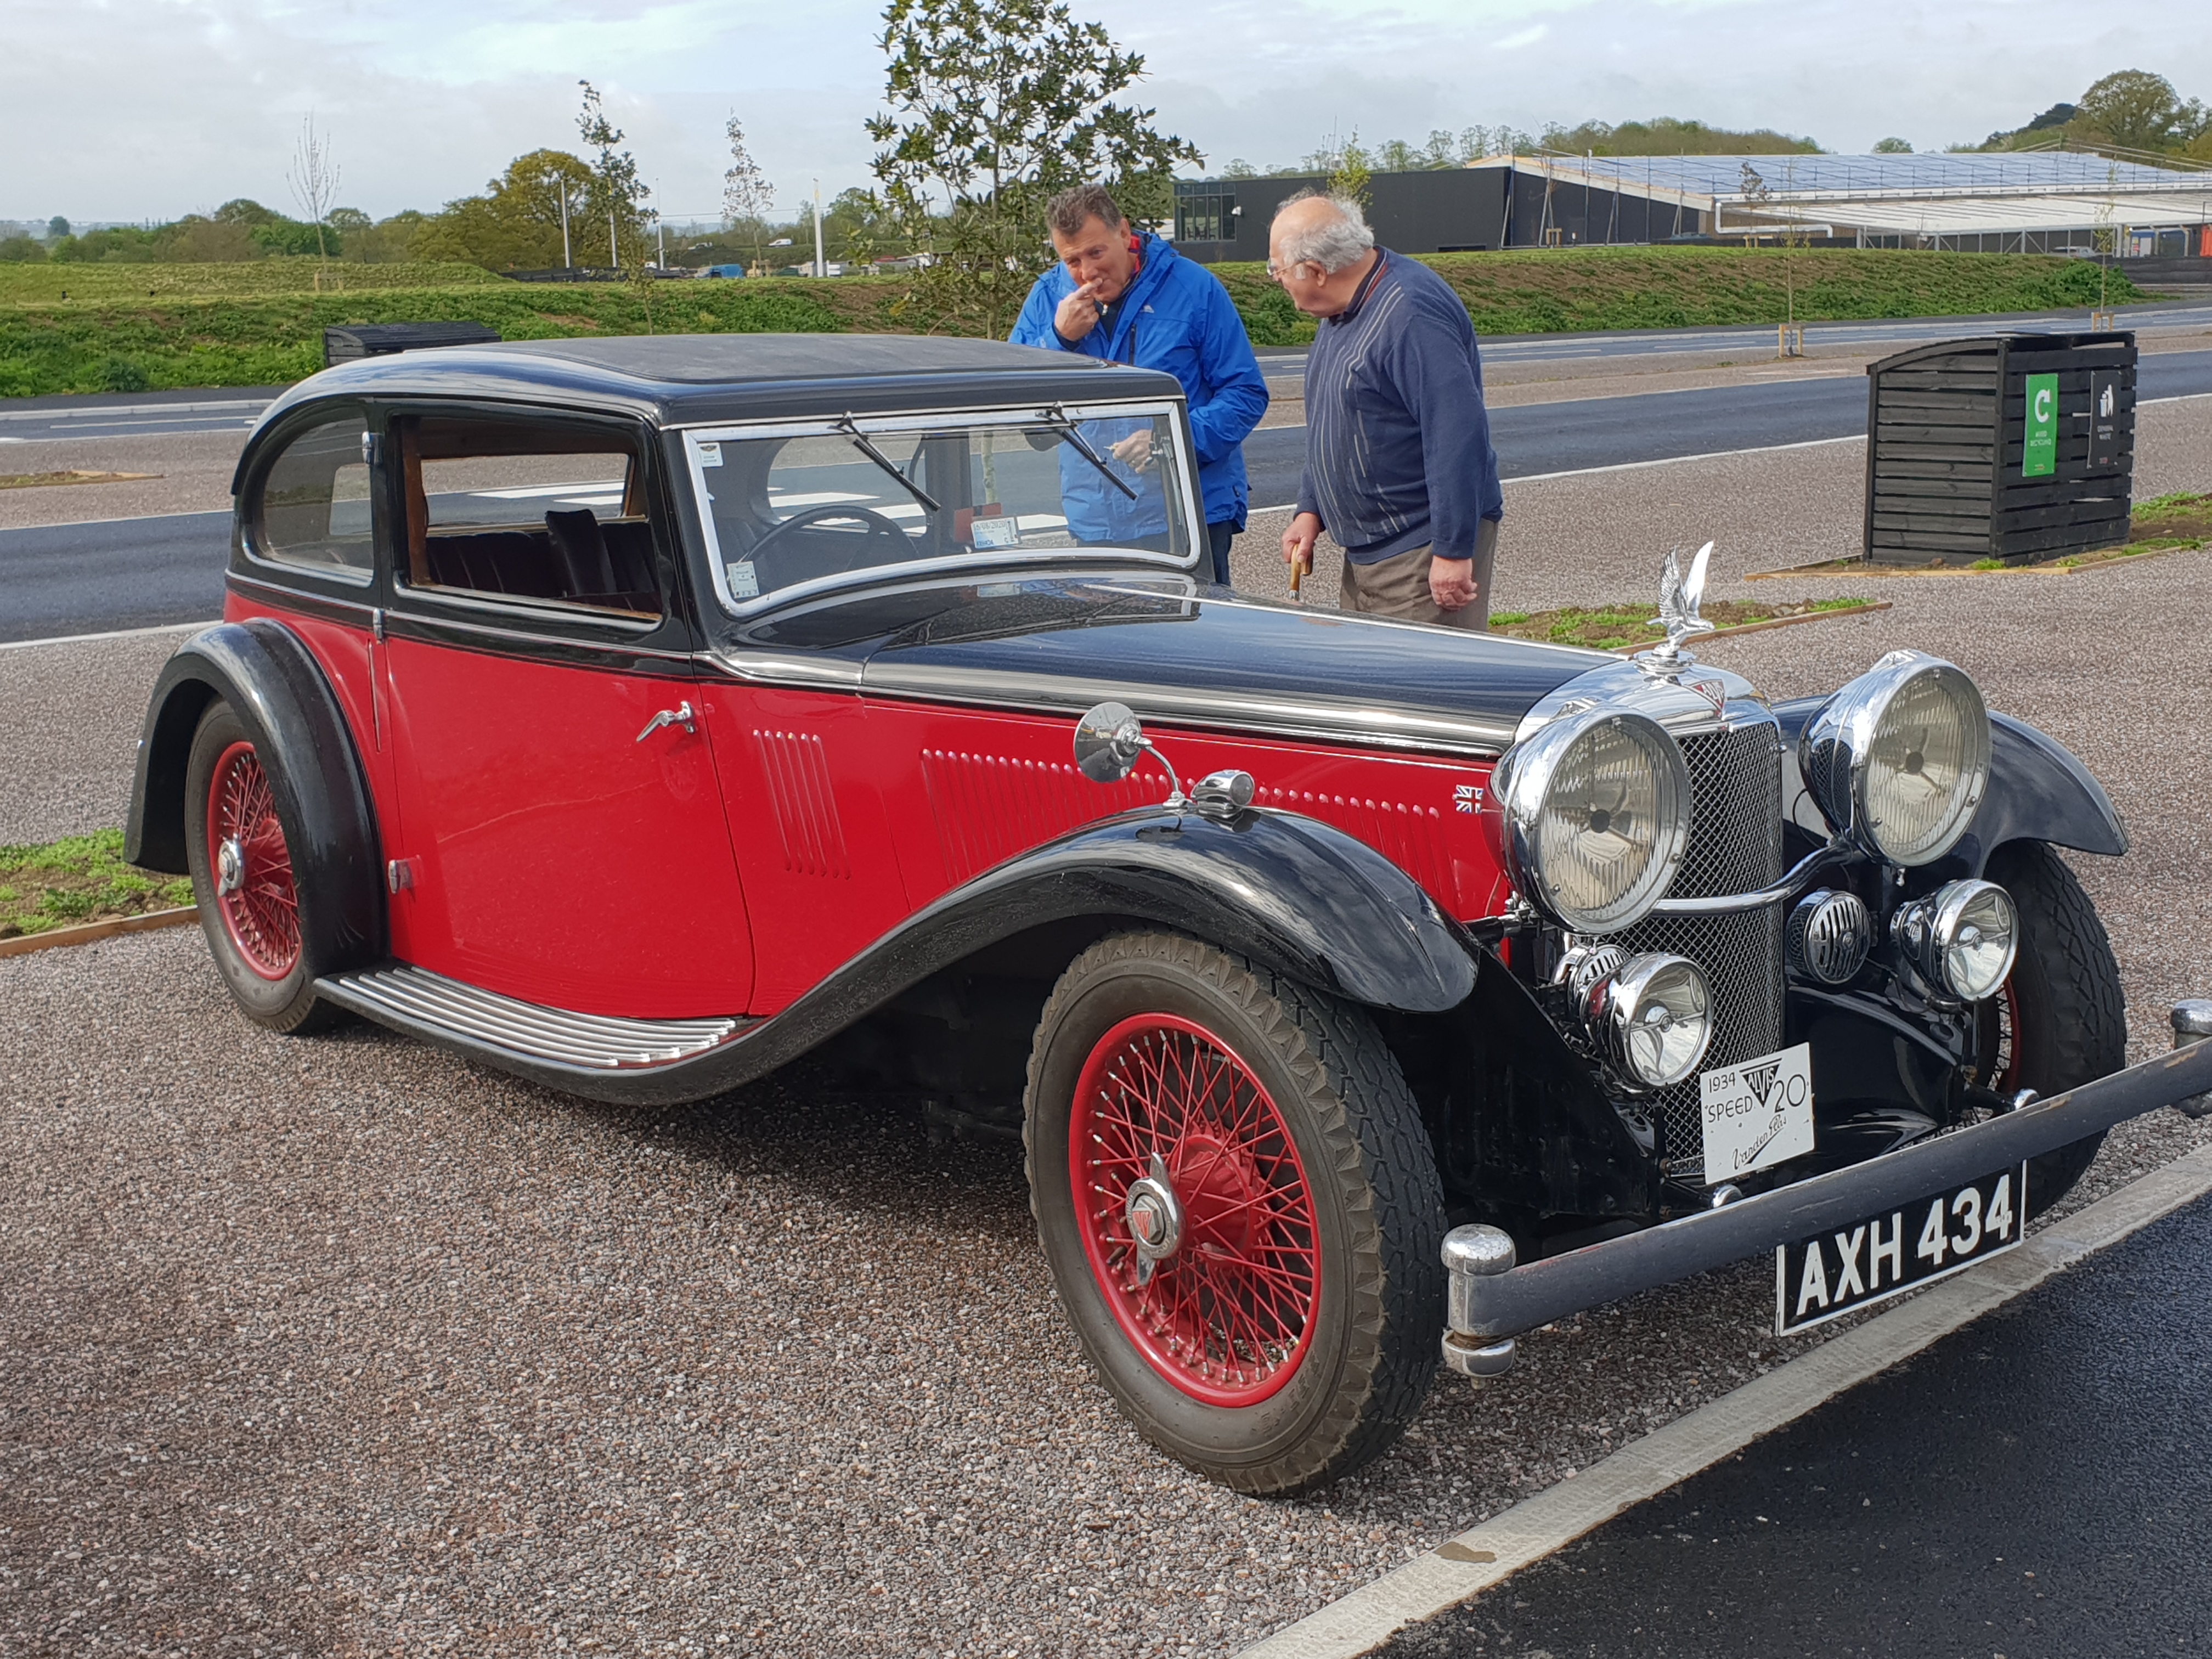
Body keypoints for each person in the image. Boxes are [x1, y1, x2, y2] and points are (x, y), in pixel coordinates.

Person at [1011, 184, 1268, 584]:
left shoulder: (1194, 289)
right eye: (1072, 261)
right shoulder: (1048, 299)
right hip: (1097, 521)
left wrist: (1171, 441)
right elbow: (1022, 415)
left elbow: (1245, 393)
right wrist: (1058, 341)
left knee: (1194, 642)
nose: (1087, 272)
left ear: (1125, 233)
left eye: (1096, 253)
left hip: (1189, 516)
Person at [1273, 193, 1503, 629]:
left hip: (1419, 550)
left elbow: (1457, 435)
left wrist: (1452, 552)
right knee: (1369, 683)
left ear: (1317, 272)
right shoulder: (1341, 310)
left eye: (1278, 269)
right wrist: (1311, 510)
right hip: (1369, 549)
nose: (1277, 280)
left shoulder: (1411, 313)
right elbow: (1335, 419)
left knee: (1421, 689)